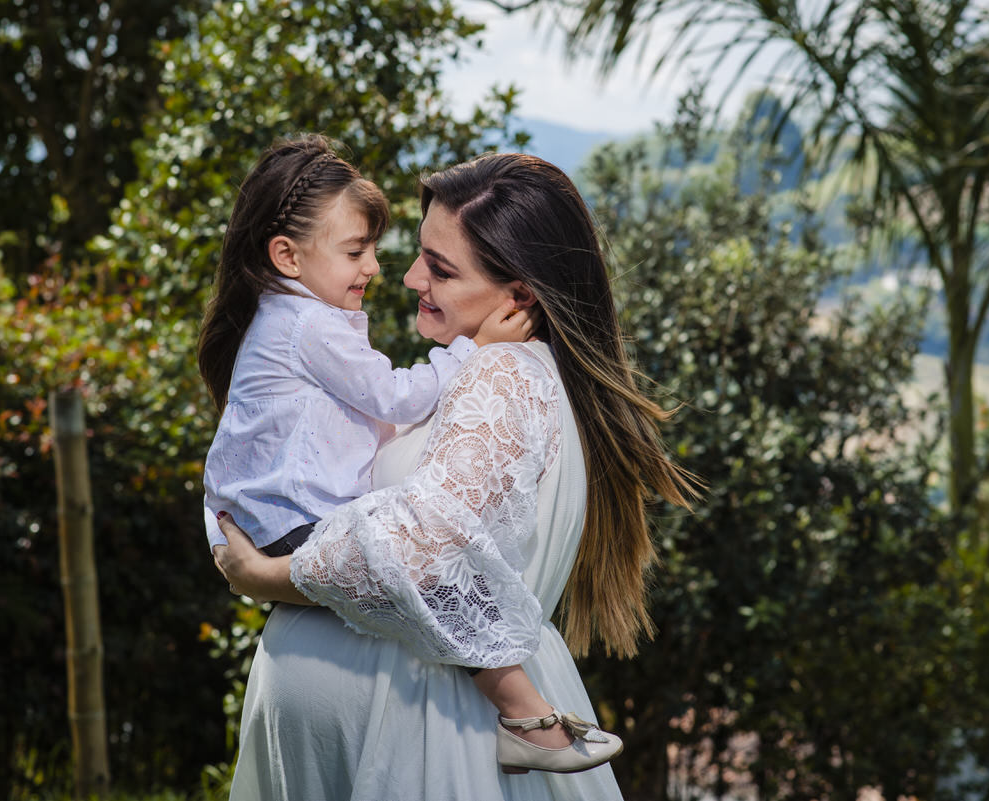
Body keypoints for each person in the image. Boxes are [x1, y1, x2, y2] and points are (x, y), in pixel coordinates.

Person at [212, 151, 697, 800]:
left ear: (519, 294)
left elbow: (425, 553)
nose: (409, 276)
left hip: (423, 731)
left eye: (440, 268)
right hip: (402, 721)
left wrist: (266, 574)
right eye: (419, 253)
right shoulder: (504, 374)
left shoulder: (500, 375)